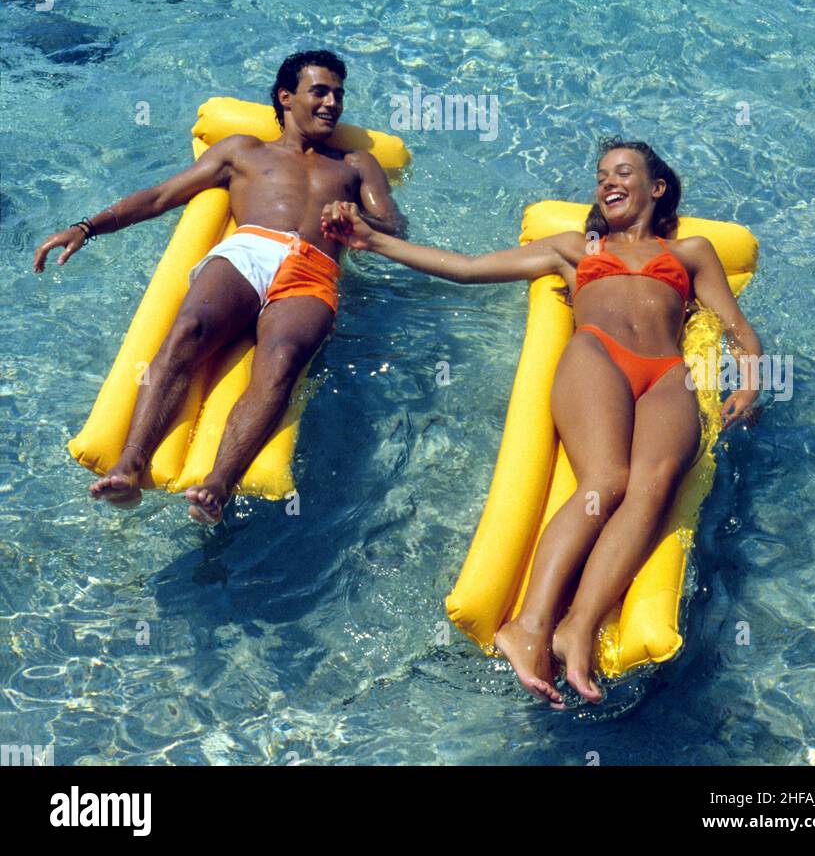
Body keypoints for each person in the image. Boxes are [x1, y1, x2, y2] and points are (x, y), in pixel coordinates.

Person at [320, 138, 763, 706]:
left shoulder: (693, 252)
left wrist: (749, 383)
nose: (608, 182)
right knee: (607, 482)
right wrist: (372, 239)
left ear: (656, 188)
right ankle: (528, 625)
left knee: (654, 487)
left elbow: (737, 327)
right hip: (598, 355)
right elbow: (466, 268)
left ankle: (577, 627)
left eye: (622, 172)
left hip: (668, 373)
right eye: (601, 174)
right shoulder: (574, 248)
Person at [33, 50, 407, 524]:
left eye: (338, 94)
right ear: (285, 97)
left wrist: (359, 221)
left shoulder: (355, 164)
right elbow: (162, 195)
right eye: (320, 91)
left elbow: (394, 227)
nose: (333, 102)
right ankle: (130, 462)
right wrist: (86, 228)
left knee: (284, 357)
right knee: (188, 329)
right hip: (250, 249)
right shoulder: (244, 150)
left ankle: (218, 483)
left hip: (313, 267)